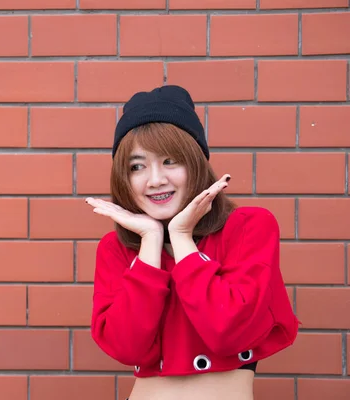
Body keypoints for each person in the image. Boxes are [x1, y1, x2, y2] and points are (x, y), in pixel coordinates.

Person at [85, 85, 299, 400]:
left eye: (170, 160)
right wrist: (151, 242)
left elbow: (228, 331)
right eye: (137, 166)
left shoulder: (248, 227)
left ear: (196, 163)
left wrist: (182, 238)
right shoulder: (115, 249)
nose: (155, 179)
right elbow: (126, 347)